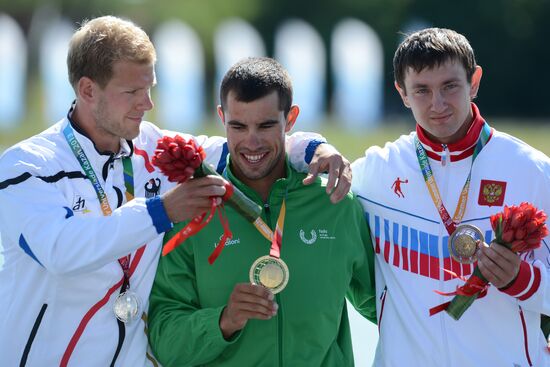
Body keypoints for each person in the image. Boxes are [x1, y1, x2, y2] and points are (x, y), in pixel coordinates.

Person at [0, 16, 353, 366]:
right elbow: (61, 251)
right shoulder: (26, 166)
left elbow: (247, 145)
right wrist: (161, 211)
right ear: (88, 90)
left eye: (150, 87)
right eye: (133, 92)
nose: (148, 103)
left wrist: (314, 149)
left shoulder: (156, 148)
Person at [147, 57, 377, 366]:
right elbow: (164, 340)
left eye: (266, 125)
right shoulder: (193, 210)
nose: (251, 142)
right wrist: (224, 322)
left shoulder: (334, 203)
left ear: (290, 119)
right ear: (221, 118)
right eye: (238, 126)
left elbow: (385, 305)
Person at [352, 27, 550, 366]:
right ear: (402, 93)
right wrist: (311, 146)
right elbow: (291, 162)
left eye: (450, 86)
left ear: (474, 81)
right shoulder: (376, 173)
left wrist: (524, 280)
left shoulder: (533, 172)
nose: (437, 104)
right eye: (422, 91)